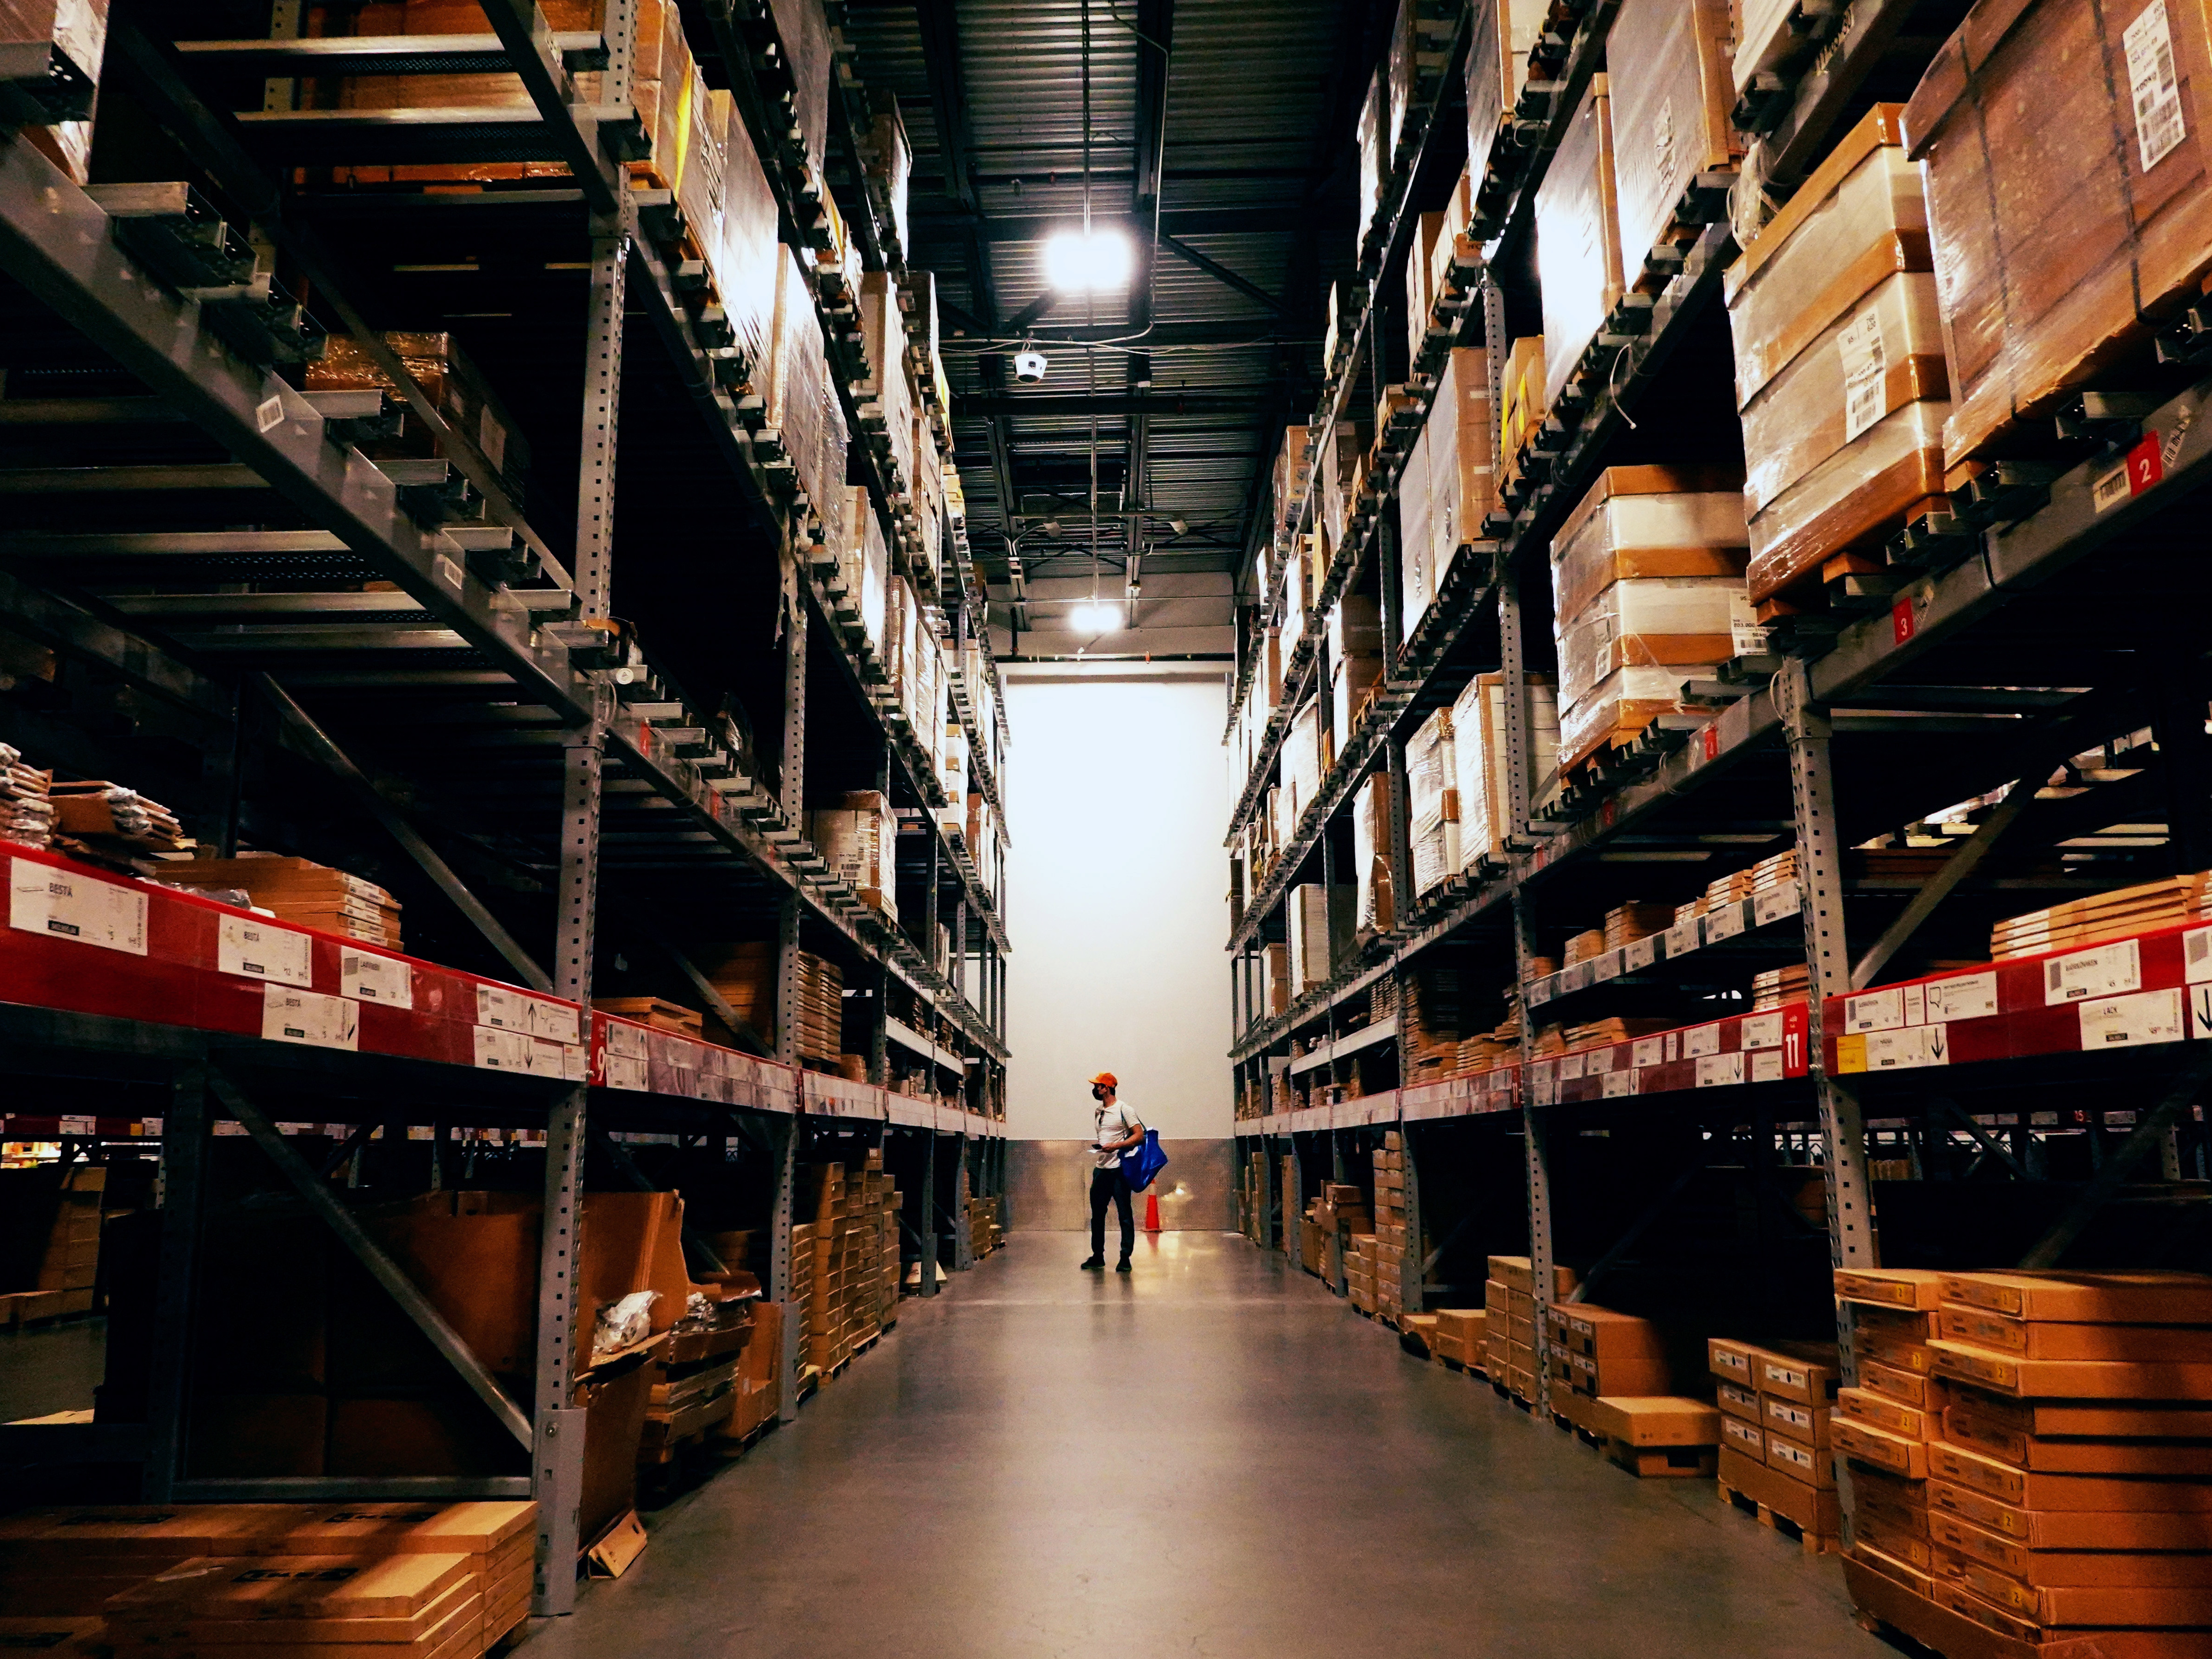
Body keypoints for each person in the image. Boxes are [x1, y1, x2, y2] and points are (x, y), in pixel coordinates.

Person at [1080, 1071, 1144, 1272]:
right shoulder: (1099, 1112)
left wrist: (1116, 1145)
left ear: (1106, 1088)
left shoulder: (1125, 1109)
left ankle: (1125, 1258)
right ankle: (1098, 1256)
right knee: (1097, 1215)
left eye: (1097, 1086)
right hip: (1101, 1168)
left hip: (1119, 1170)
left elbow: (1140, 1135)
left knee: (1124, 1215)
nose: (1095, 1089)